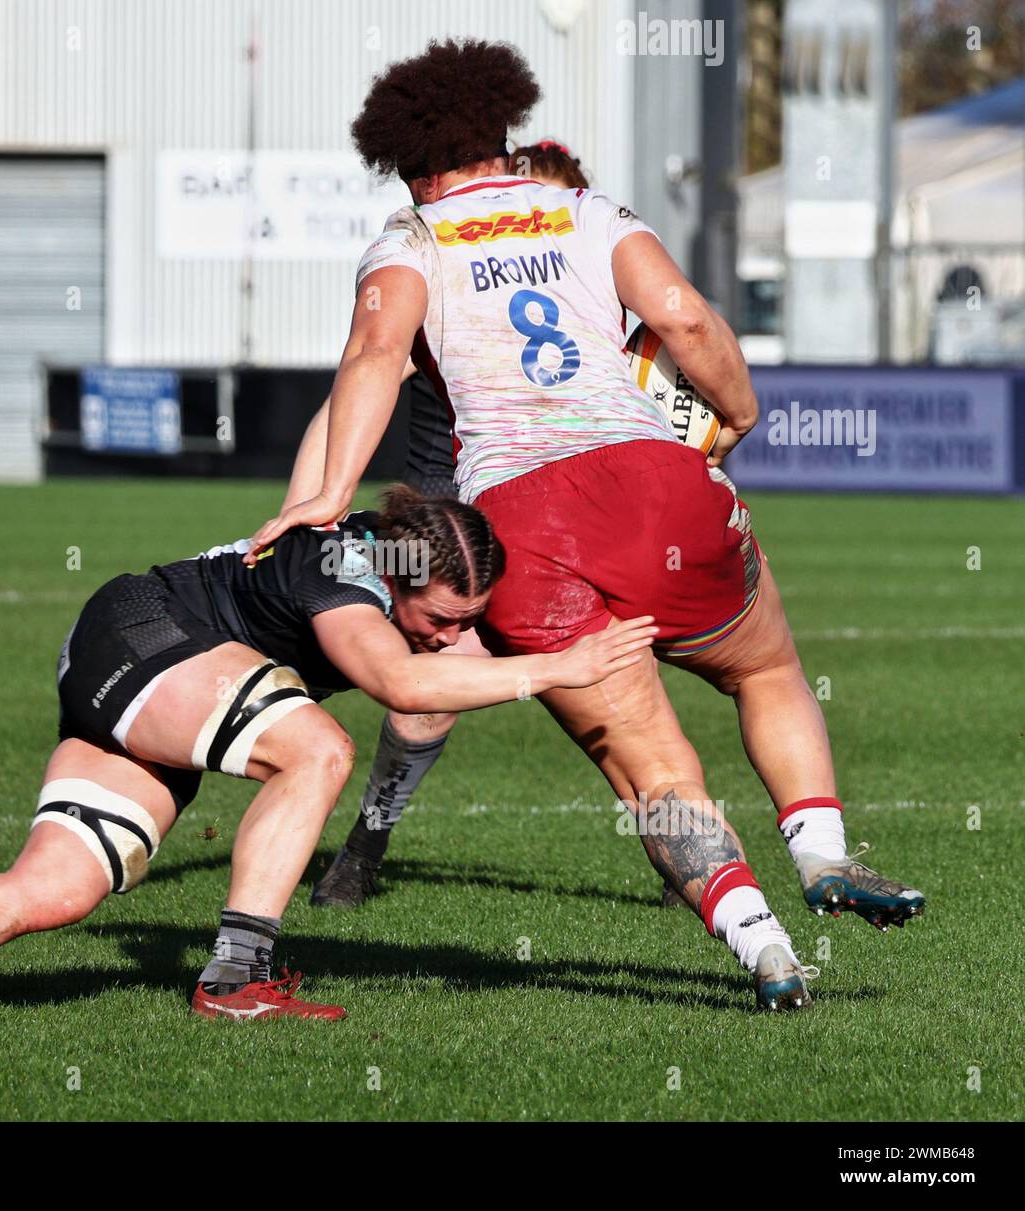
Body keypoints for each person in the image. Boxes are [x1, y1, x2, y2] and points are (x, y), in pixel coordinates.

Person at [249, 39, 924, 1011]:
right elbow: (684, 317)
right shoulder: (588, 211)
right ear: (502, 134)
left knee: (647, 764)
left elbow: (371, 354)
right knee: (765, 666)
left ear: (409, 162)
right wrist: (738, 413)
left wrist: (323, 492)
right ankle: (819, 849)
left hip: (522, 523)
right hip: (661, 481)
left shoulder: (410, 238)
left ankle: (765, 945)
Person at [0, 488, 656, 1025]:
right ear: (403, 577)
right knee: (318, 750)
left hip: (139, 673)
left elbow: (437, 659)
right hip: (144, 635)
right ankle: (236, 976)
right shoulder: (349, 572)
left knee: (53, 891)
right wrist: (561, 669)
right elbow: (406, 687)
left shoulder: (392, 566)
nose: (457, 638)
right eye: (448, 620)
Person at [302, 141, 595, 909]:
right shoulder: (451, 284)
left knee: (605, 680)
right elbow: (356, 386)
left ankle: (679, 838)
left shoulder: (593, 300)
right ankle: (364, 845)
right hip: (447, 530)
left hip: (549, 522)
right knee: (421, 685)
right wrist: (314, 502)